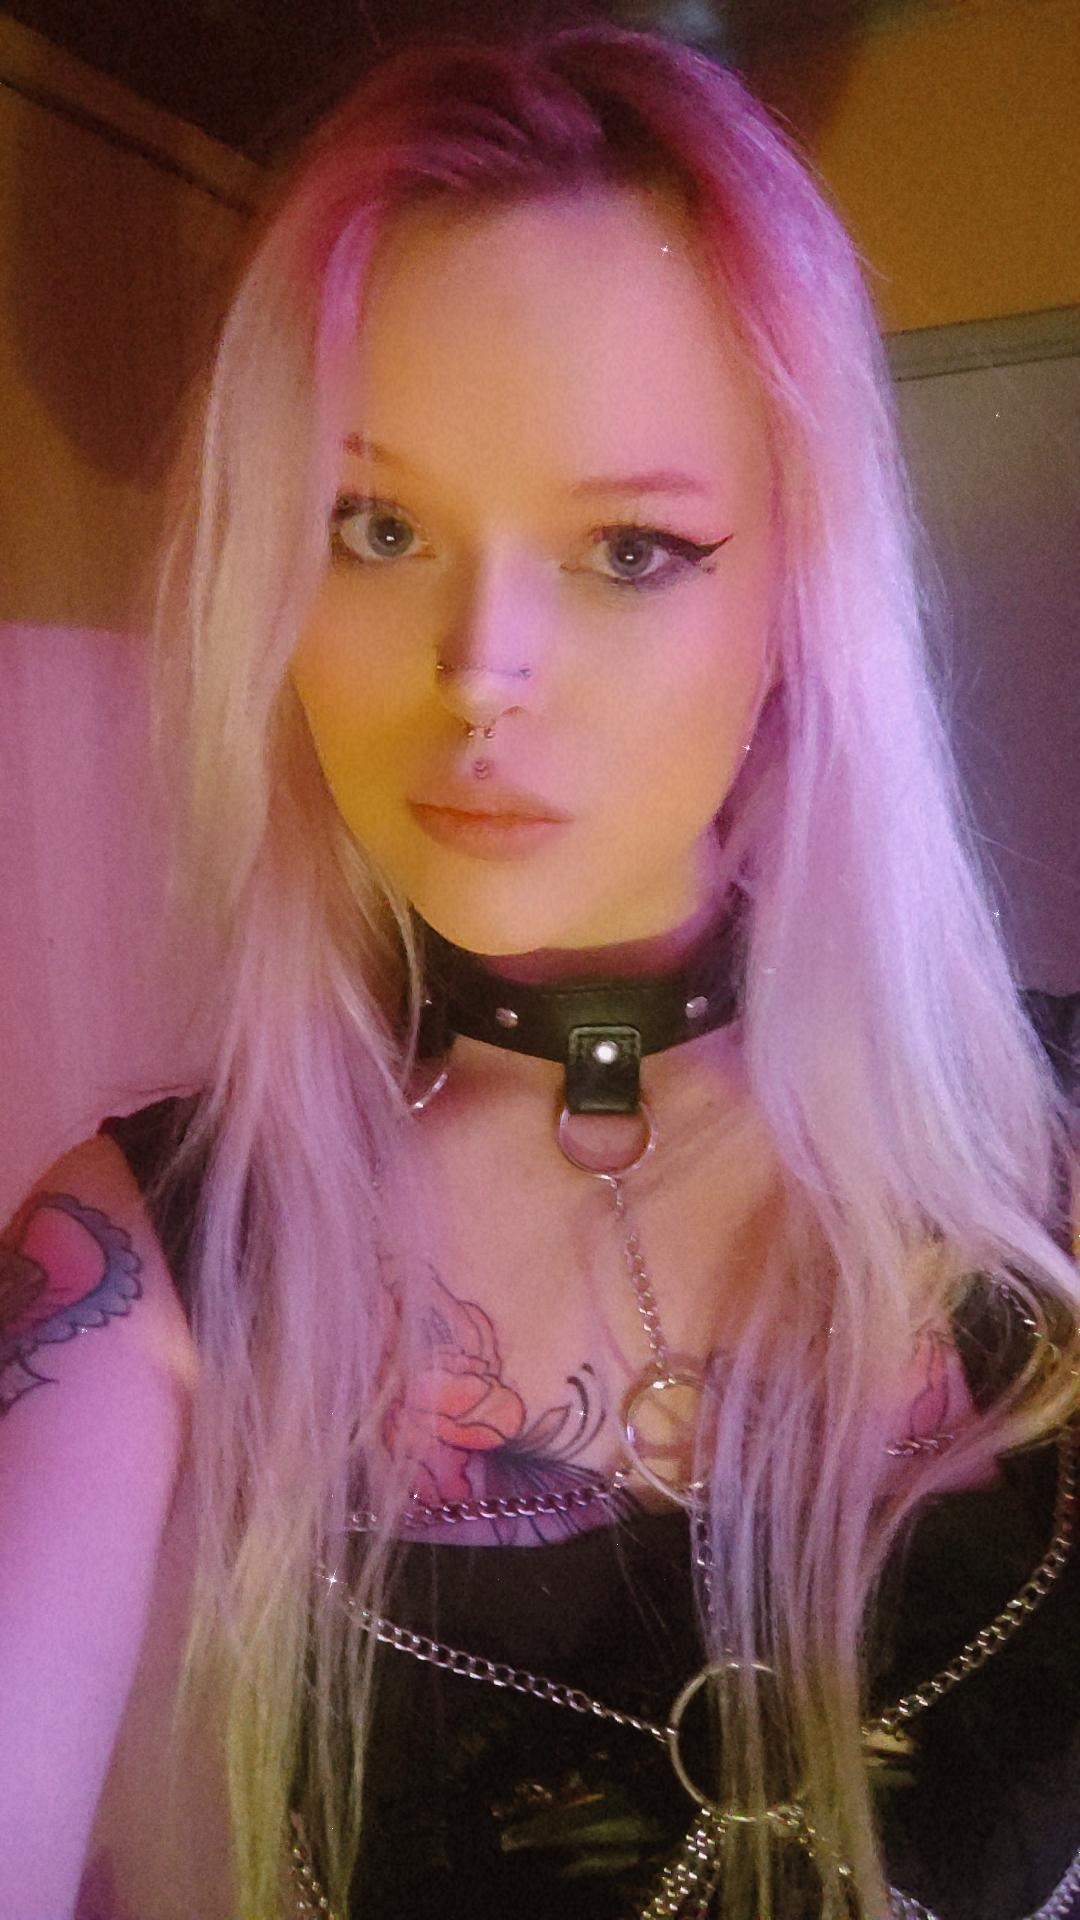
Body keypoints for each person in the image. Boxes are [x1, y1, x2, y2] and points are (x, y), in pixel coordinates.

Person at [2, 21, 1078, 1920]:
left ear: (798, 597)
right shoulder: (147, 1262)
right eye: (379, 527)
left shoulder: (1047, 1158)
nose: (480, 668)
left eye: (632, 548)